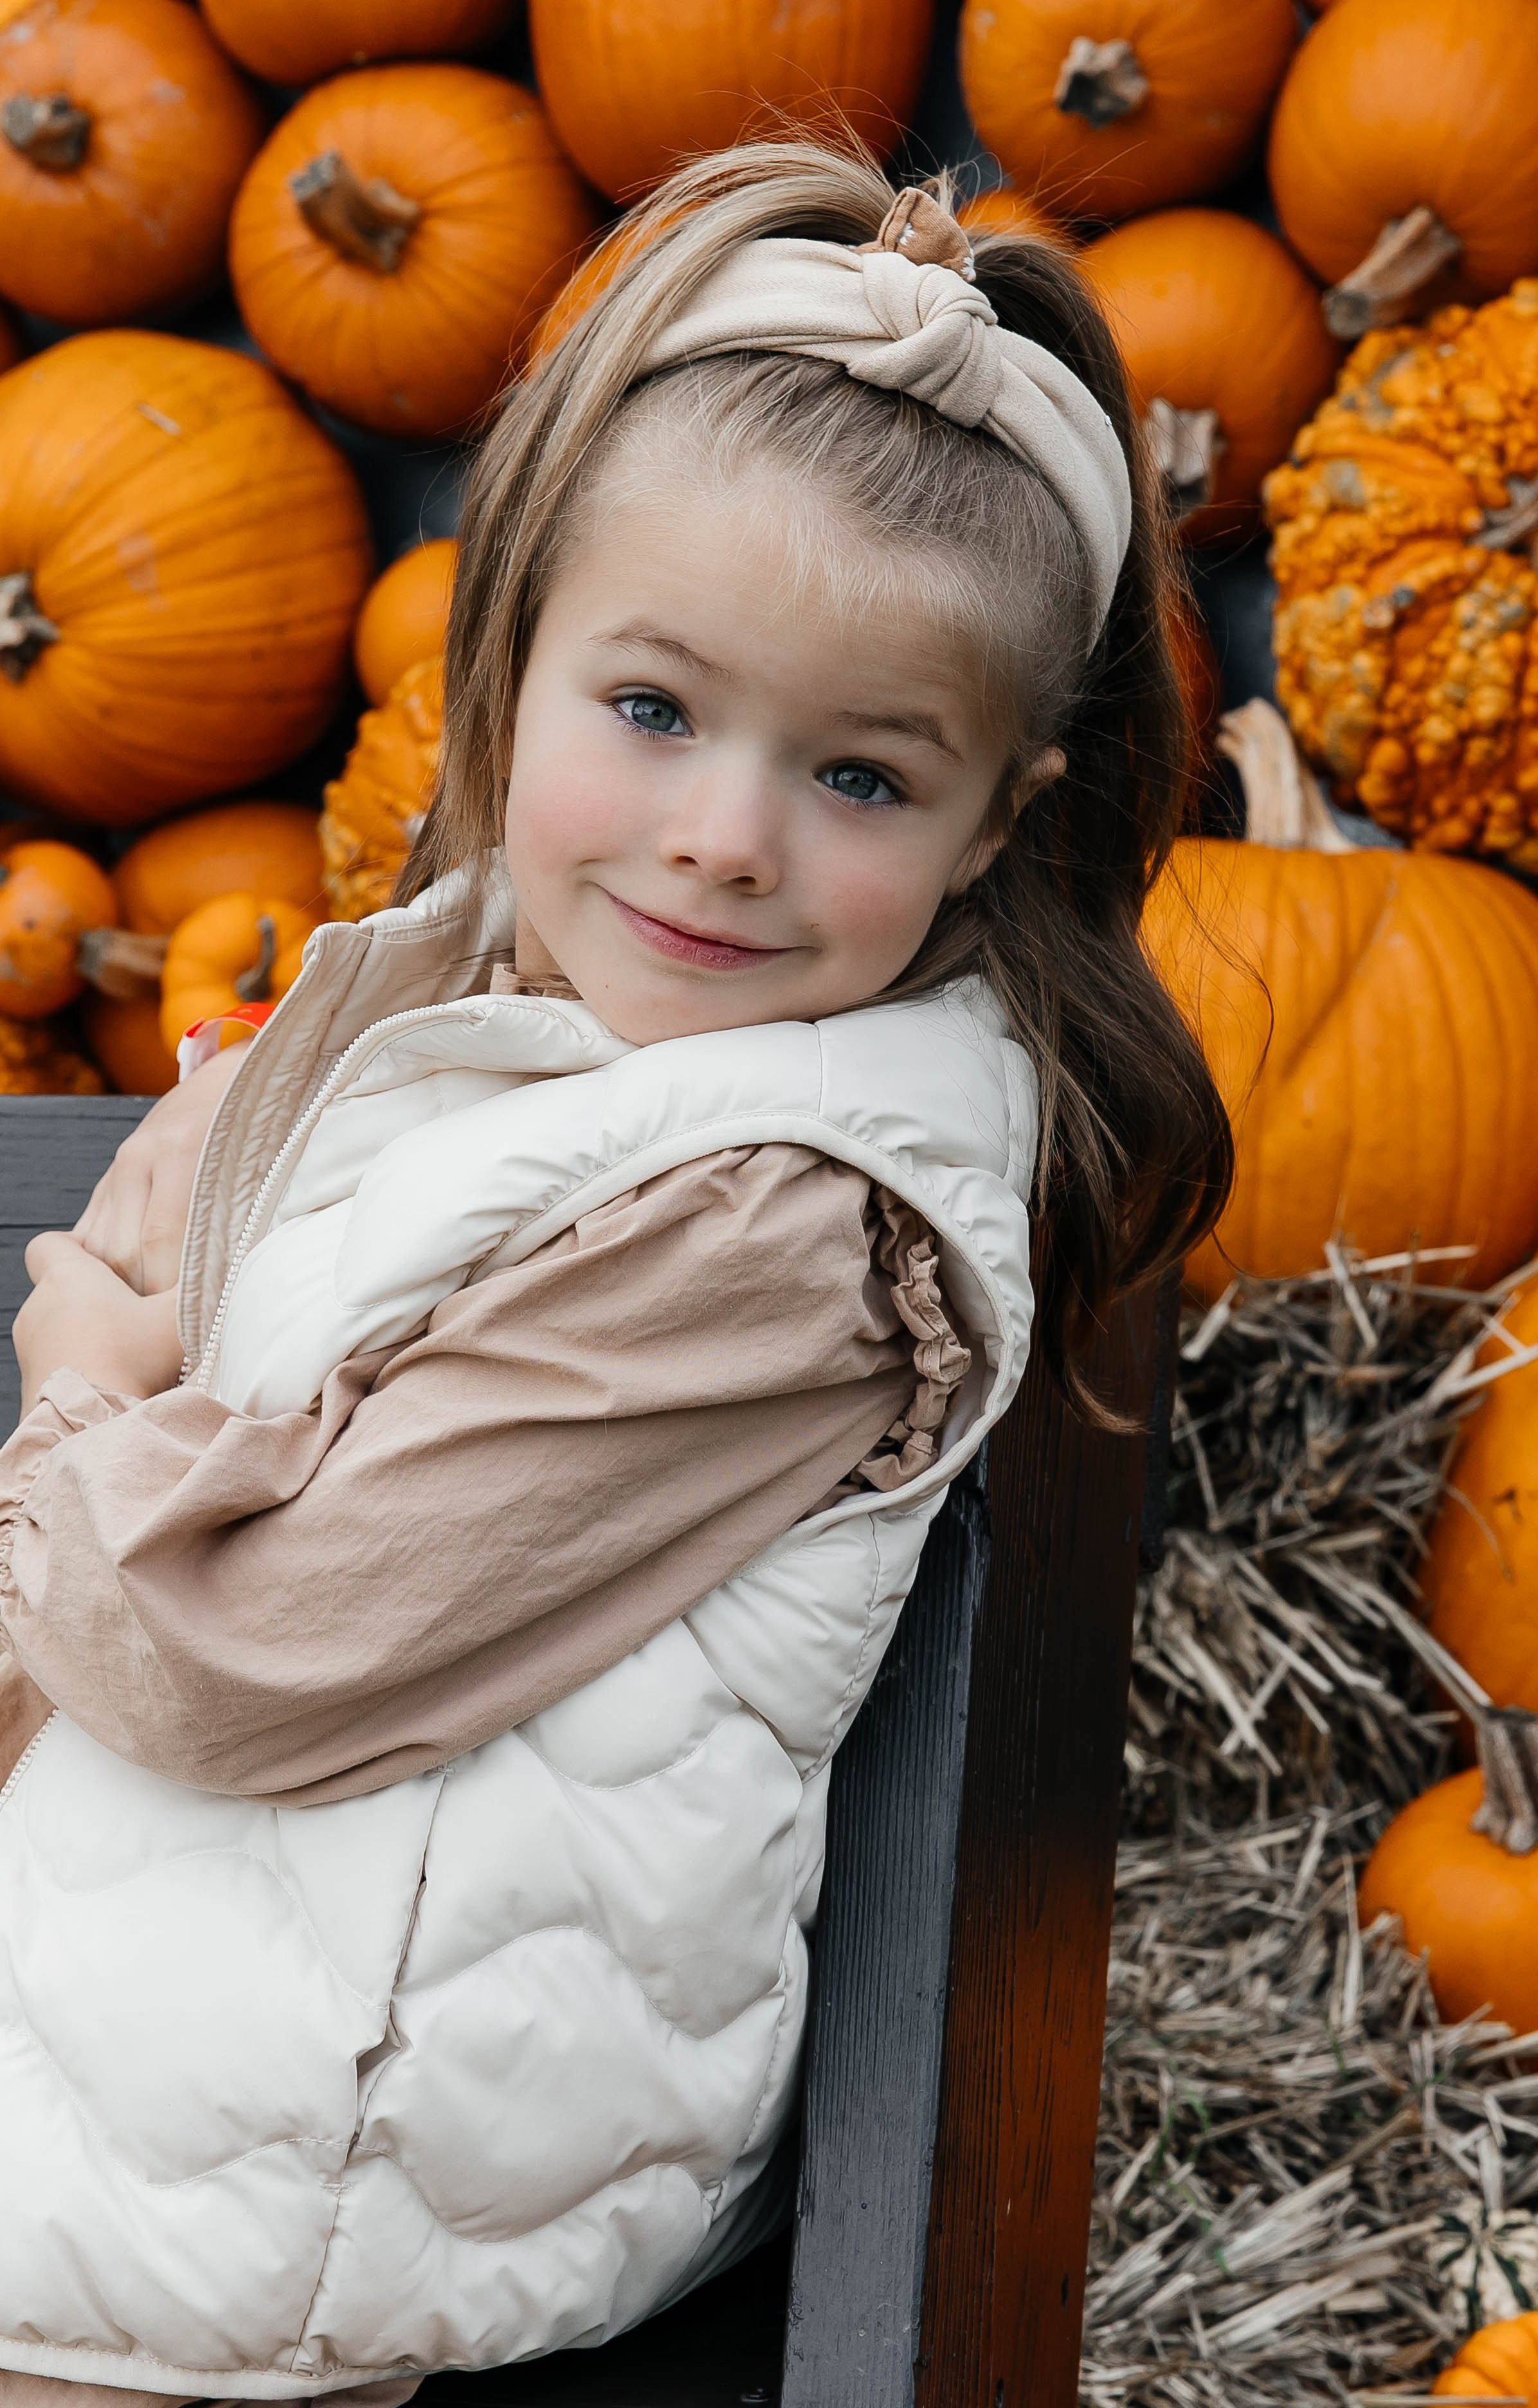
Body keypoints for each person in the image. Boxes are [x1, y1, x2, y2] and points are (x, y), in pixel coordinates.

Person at [0, 145, 1229, 2406]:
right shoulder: (493, 1009)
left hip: (282, 2199)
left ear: (1000, 820)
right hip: (151, 2050)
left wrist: (82, 1381)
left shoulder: (791, 1222)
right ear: (511, 655)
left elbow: (259, 1637)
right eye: (653, 711)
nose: (723, 839)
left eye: (860, 776)